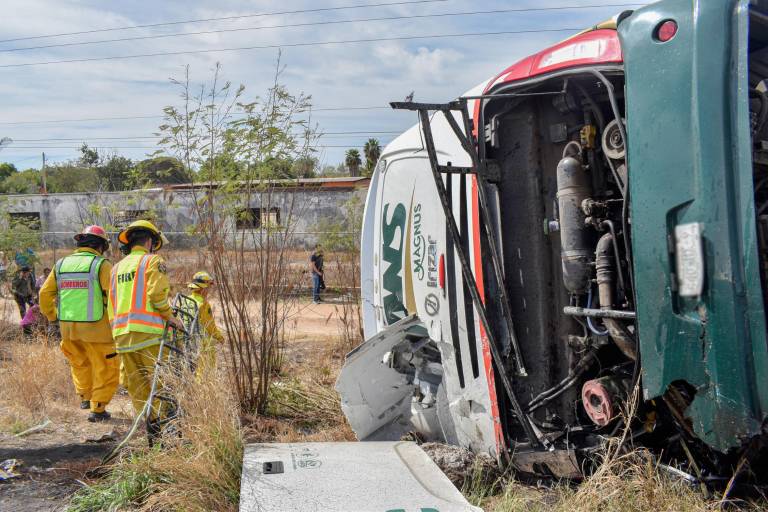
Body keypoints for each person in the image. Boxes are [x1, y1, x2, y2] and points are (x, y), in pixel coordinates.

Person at [108, 220, 184, 442]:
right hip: (149, 334)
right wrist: (171, 318)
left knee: (138, 386)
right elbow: (157, 294)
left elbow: (111, 305)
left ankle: (150, 430)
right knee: (161, 385)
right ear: (150, 242)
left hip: (122, 336)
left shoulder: (115, 269)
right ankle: (164, 434)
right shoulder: (152, 261)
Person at [39, 225, 119, 422]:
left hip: (68, 328)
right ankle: (98, 409)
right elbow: (114, 297)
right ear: (101, 246)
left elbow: (44, 294)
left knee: (79, 363)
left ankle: (85, 397)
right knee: (105, 367)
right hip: (97, 329)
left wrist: (52, 316)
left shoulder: (61, 265)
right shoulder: (102, 265)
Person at [181, 271, 224, 375]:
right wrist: (220, 337)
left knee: (191, 368)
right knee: (204, 370)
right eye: (208, 287)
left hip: (187, 340)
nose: (209, 290)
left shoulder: (186, 301)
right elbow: (210, 326)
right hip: (203, 343)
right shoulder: (203, 304)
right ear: (203, 288)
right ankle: (202, 386)